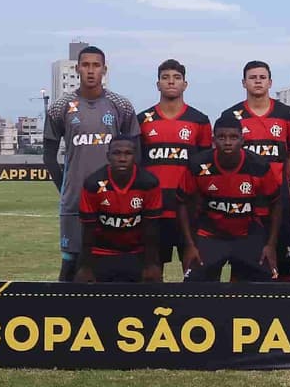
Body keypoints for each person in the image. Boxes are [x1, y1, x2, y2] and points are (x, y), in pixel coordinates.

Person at [43, 46, 140, 282]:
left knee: (113, 265)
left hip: (116, 201)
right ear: (77, 69)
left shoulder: (121, 105)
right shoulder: (60, 106)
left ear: (104, 70)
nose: (90, 71)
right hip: (75, 201)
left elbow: (136, 153)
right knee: (71, 266)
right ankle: (65, 317)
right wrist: (65, 187)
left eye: (96, 65)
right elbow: (49, 155)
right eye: (85, 65)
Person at [220, 61, 290, 281]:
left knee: (283, 263)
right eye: (252, 77)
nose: (257, 81)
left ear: (270, 82)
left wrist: (282, 180)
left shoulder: (287, 114)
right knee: (242, 261)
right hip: (244, 197)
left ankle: (285, 311)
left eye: (262, 77)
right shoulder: (232, 115)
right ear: (244, 82)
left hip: (277, 197)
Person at [178, 115, 281, 281]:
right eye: (221, 137)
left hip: (247, 235)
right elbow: (182, 203)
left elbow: (276, 203)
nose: (227, 142)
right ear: (213, 140)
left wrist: (270, 245)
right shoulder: (198, 165)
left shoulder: (259, 165)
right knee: (193, 285)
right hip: (210, 235)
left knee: (267, 286)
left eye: (233, 137)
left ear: (242, 140)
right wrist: (190, 244)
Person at [137, 59, 212, 276]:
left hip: (188, 211)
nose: (171, 82)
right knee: (151, 274)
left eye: (177, 78)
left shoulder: (199, 120)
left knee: (194, 273)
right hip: (153, 211)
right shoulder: (143, 120)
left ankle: (192, 311)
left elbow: (205, 170)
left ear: (185, 84)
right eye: (165, 78)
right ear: (157, 84)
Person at [76, 136, 162, 283]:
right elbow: (88, 229)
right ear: (108, 156)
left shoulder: (149, 183)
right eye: (116, 153)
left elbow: (151, 228)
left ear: (135, 156)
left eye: (128, 153)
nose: (122, 158)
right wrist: (86, 267)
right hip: (101, 252)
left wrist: (151, 264)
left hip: (136, 252)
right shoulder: (93, 184)